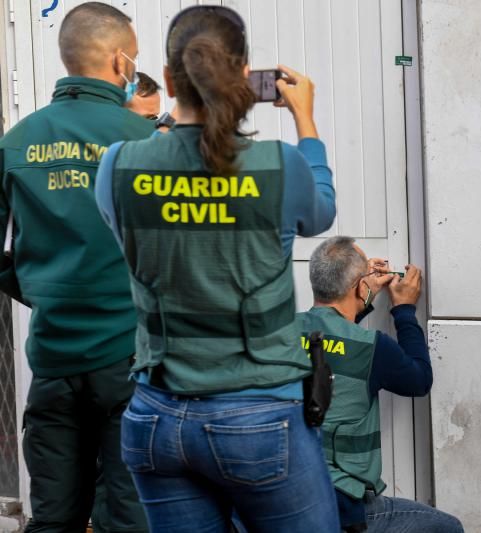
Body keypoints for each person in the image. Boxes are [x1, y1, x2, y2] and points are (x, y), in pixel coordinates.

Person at [94, 5, 338, 532]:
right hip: (259, 418)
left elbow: (131, 239)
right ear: (245, 77)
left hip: (155, 416)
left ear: (165, 78)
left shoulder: (117, 165)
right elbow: (321, 213)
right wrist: (305, 120)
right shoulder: (279, 164)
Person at [0, 3, 153, 532]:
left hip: (54, 358)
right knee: (130, 521)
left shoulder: (18, 141)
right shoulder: (145, 141)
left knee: (53, 521)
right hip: (129, 359)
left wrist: (40, 289)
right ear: (119, 60)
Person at [299, 236, 464, 533]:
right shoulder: (373, 348)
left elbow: (327, 342)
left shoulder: (278, 331)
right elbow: (418, 380)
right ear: (359, 286)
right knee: (447, 528)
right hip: (340, 505)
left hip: (277, 496)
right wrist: (403, 309)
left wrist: (361, 297)